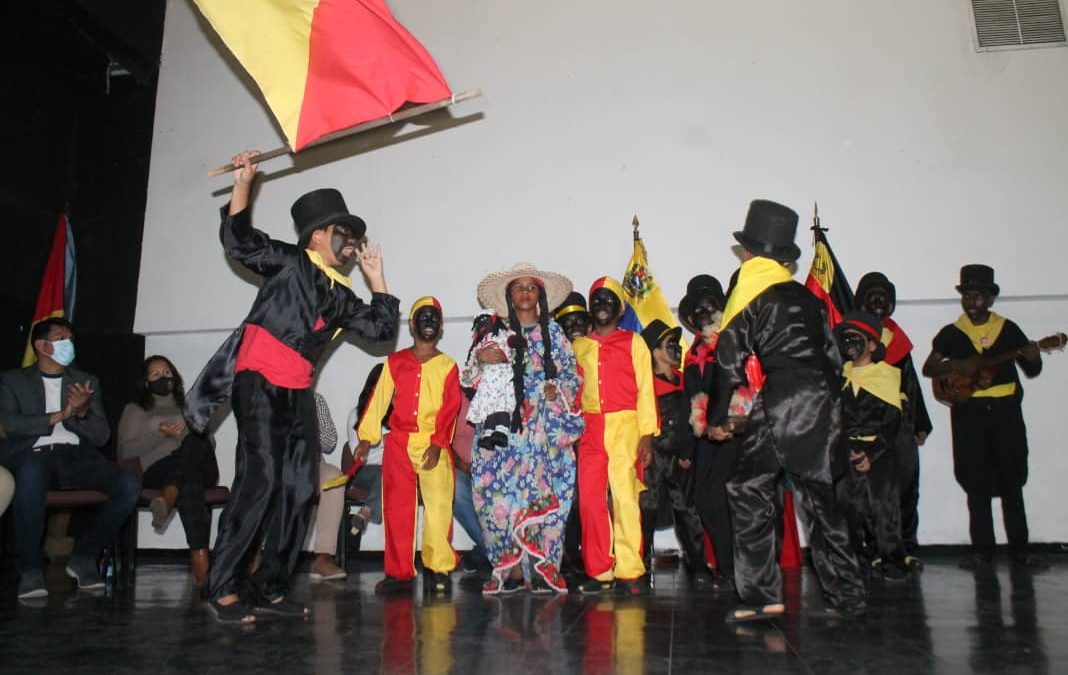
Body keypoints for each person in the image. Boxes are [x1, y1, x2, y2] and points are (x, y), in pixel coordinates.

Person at [183, 151, 399, 623]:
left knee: (301, 489)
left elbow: (382, 331)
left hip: (297, 390)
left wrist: (377, 280)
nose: (351, 243)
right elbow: (240, 242)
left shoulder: (341, 295)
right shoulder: (287, 261)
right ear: (318, 235)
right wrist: (243, 184)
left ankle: (271, 586)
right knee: (258, 483)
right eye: (343, 232)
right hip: (259, 382)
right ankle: (220, 585)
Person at [708, 199, 865, 622]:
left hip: (784, 399)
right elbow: (834, 360)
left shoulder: (749, 287)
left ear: (749, 251)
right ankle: (848, 595)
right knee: (821, 497)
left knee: (747, 487)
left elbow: (727, 359)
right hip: (823, 400)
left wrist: (716, 417)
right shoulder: (808, 299)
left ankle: (762, 595)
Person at [0, 317, 141, 599]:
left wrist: (81, 414)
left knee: (128, 485)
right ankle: (29, 570)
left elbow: (101, 436)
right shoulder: (12, 381)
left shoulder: (85, 382)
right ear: (42, 345)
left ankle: (84, 556)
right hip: (32, 454)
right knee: (29, 475)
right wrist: (58, 416)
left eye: (70, 339)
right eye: (61, 338)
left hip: (76, 456)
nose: (69, 344)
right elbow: (8, 425)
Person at [922, 265, 1045, 570]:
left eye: (979, 296)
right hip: (970, 415)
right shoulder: (952, 333)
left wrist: (1035, 356)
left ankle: (1020, 550)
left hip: (1005, 414)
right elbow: (929, 368)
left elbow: (1032, 370)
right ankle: (982, 551)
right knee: (975, 482)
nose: (972, 302)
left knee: (1012, 481)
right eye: (967, 296)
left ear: (990, 299)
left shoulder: (1009, 329)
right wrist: (960, 365)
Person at [472, 263, 583, 594]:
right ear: (508, 294)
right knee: (494, 499)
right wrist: (483, 361)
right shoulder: (494, 334)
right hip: (504, 434)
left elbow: (572, 378)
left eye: (530, 287)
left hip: (542, 434)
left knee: (546, 498)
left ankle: (543, 565)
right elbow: (471, 379)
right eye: (517, 287)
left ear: (540, 295)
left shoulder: (556, 335)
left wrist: (557, 390)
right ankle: (506, 567)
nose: (524, 292)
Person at [357, 296, 461, 596]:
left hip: (433, 443)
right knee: (397, 507)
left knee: (439, 506)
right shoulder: (394, 363)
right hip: (400, 443)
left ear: (440, 327)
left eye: (434, 318)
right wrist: (367, 437)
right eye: (423, 317)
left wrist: (439, 442)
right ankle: (399, 573)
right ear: (413, 324)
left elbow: (450, 407)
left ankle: (438, 568)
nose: (428, 322)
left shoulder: (447, 366)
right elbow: (378, 401)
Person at [573, 276, 656, 596]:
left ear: (620, 309)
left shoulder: (634, 342)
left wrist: (647, 434)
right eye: (596, 300)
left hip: (626, 425)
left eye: (609, 299)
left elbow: (646, 389)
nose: (602, 305)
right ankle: (599, 570)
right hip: (591, 428)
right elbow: (573, 392)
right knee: (591, 500)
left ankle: (629, 569)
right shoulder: (579, 347)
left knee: (624, 497)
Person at [118, 355, 219, 587]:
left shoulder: (190, 408)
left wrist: (189, 431)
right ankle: (201, 562)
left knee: (196, 439)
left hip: (204, 468)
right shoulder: (135, 410)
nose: (162, 378)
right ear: (145, 382)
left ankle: (168, 496)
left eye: (167, 373)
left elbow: (209, 444)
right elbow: (126, 451)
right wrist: (160, 434)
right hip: (159, 470)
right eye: (155, 374)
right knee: (188, 478)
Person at [855, 272, 932, 563]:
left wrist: (920, 423)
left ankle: (906, 547)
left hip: (899, 425)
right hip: (866, 425)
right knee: (869, 491)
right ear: (861, 301)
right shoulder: (854, 338)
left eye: (884, 298)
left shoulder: (898, 342)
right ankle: (873, 549)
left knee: (906, 486)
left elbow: (911, 384)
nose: (878, 302)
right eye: (872, 296)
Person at [834, 311, 910, 579]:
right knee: (849, 509)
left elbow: (892, 424)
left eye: (856, 338)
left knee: (883, 509)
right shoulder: (840, 378)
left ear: (873, 345)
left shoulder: (887, 376)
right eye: (845, 339)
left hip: (879, 454)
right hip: (847, 454)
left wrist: (872, 453)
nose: (849, 344)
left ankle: (892, 561)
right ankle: (857, 561)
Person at [638, 320, 706, 579]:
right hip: (654, 456)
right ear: (654, 351)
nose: (676, 349)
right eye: (670, 344)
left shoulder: (685, 380)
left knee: (687, 510)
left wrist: (687, 451)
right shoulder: (645, 384)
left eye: (677, 344)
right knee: (649, 509)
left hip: (679, 457)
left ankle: (697, 563)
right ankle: (641, 564)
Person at [678, 274, 734, 585]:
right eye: (696, 310)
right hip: (704, 440)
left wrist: (724, 424)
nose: (703, 313)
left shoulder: (730, 342)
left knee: (720, 498)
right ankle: (726, 566)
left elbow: (740, 388)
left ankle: (732, 568)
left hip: (729, 435)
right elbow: (689, 400)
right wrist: (686, 449)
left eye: (709, 306)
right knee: (704, 498)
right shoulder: (694, 350)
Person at [552, 291, 590, 582]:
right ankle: (565, 556)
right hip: (557, 438)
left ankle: (587, 556)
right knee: (562, 499)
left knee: (585, 500)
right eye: (568, 322)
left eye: (580, 320)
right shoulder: (550, 356)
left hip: (594, 436)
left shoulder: (596, 350)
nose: (574, 326)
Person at [462, 310, 517, 450]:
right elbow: (466, 378)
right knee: (489, 407)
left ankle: (501, 431)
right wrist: (479, 360)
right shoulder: (478, 346)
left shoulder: (507, 336)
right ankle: (488, 434)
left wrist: (506, 358)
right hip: (487, 384)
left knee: (501, 404)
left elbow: (524, 363)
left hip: (504, 381)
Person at [309, 392, 347, 581]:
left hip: (311, 464)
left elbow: (330, 442)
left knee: (333, 477)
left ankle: (323, 557)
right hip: (277, 465)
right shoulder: (269, 397)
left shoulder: (315, 399)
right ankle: (255, 553)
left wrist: (309, 427)